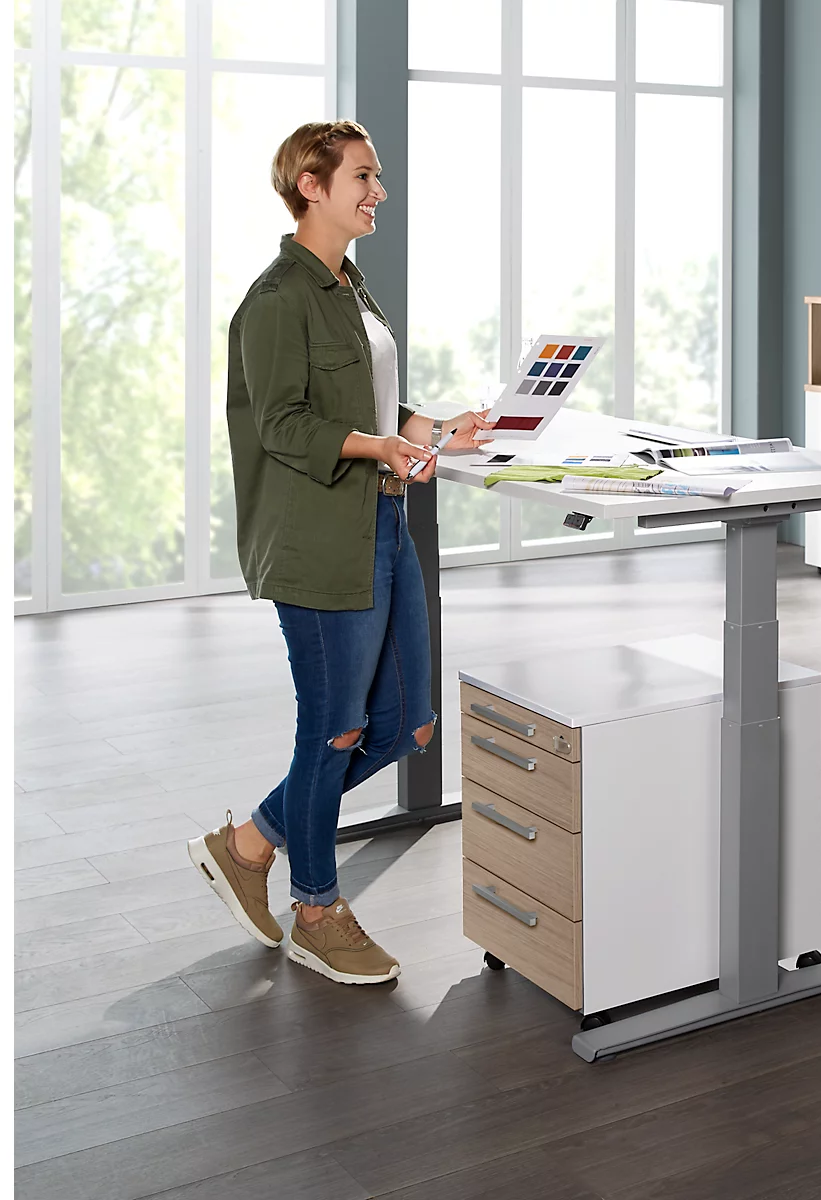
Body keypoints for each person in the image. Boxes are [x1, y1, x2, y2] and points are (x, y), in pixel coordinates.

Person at [187, 120, 493, 984]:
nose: (378, 192)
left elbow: (378, 410)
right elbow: (280, 423)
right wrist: (378, 447)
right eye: (363, 177)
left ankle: (249, 844)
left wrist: (443, 432)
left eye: (379, 177)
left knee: (405, 722)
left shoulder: (352, 287)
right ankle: (316, 908)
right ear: (309, 185)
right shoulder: (278, 298)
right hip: (320, 540)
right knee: (337, 731)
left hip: (385, 525)